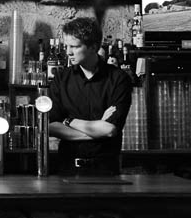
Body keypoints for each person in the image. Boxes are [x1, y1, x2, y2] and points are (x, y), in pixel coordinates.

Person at [49, 17, 132, 176]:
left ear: (93, 47)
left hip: (106, 171)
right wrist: (96, 130)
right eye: (66, 46)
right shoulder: (61, 78)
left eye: (74, 46)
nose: (68, 52)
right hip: (67, 169)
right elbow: (50, 126)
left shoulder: (118, 79)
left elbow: (109, 130)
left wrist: (68, 121)